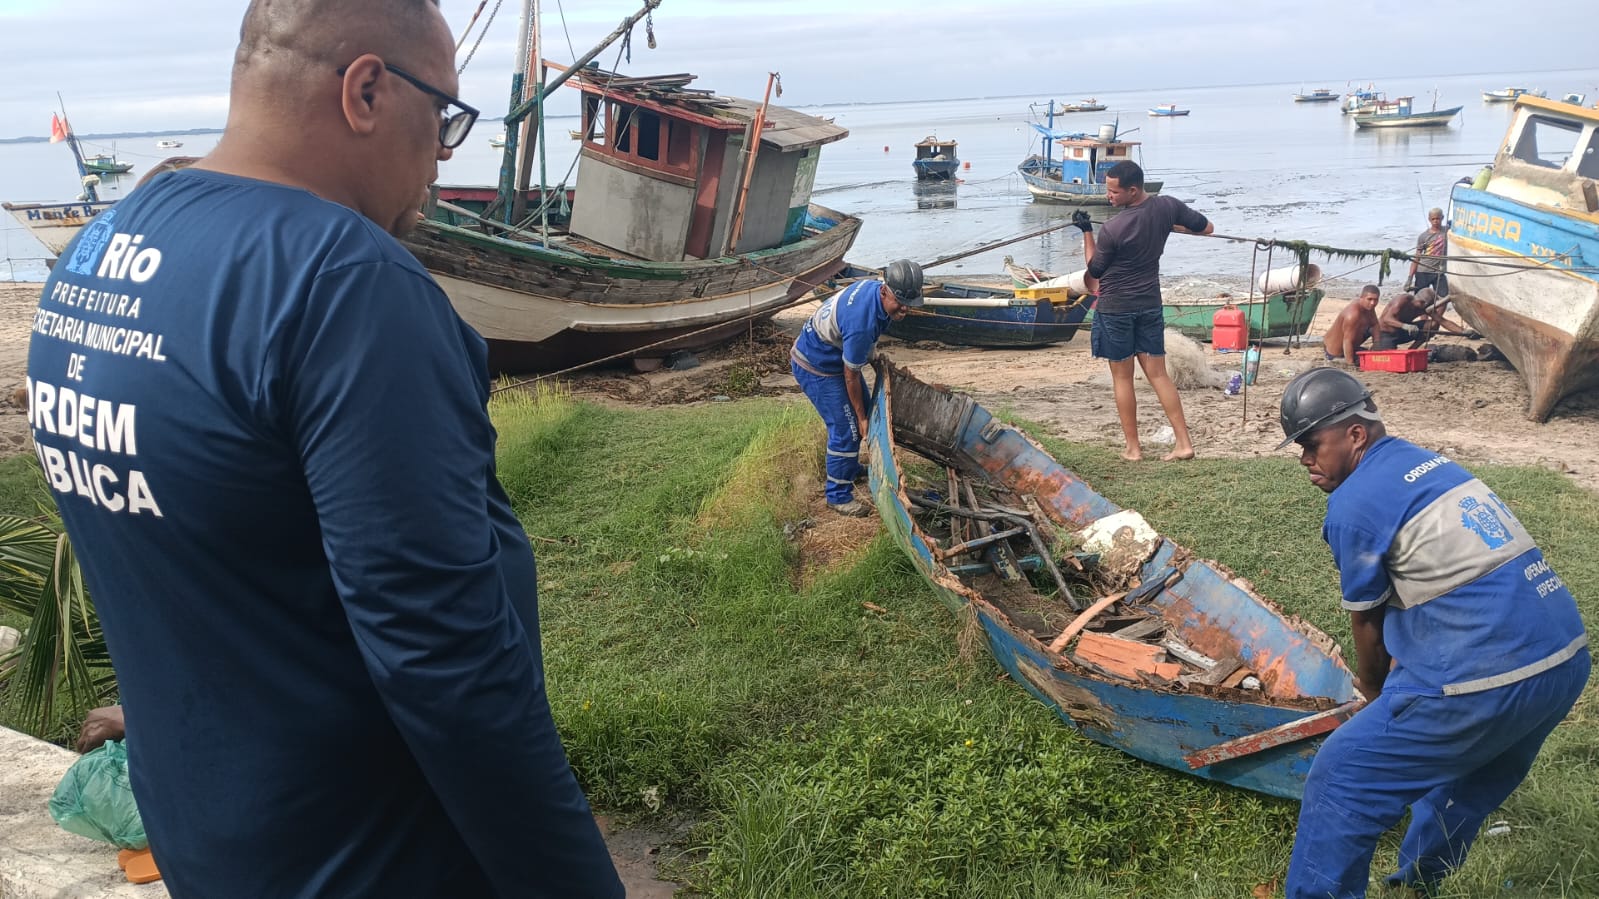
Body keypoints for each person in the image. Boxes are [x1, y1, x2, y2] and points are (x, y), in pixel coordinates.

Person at [25, 1, 622, 896]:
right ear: (368, 91)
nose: (440, 160)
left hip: (210, 836)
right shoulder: (346, 284)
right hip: (369, 856)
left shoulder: (104, 248)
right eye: (443, 118)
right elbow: (444, 660)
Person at [1276, 368, 1588, 899]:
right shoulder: (1430, 465)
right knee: (1467, 774)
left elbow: (1368, 624)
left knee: (1342, 775)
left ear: (1355, 434)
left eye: (1311, 443)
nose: (1305, 458)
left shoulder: (1352, 507)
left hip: (1488, 674)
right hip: (1563, 659)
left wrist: (1376, 700)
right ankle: (1418, 887)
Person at [1077, 160, 1211, 461]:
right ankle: (1183, 443)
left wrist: (1086, 232)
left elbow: (1094, 272)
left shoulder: (1112, 229)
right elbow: (1207, 228)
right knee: (1159, 375)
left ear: (1132, 191)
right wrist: (1169, 226)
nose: (1107, 196)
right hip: (1149, 305)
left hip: (1115, 310)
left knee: (1122, 379)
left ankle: (1133, 448)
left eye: (1113, 192)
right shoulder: (1167, 206)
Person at [790, 260, 923, 516]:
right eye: (901, 301)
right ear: (885, 291)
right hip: (816, 367)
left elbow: (864, 343)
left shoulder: (874, 292)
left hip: (833, 357)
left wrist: (873, 358)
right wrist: (861, 418)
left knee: (864, 414)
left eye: (911, 301)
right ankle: (837, 496)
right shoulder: (862, 321)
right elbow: (851, 374)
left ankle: (848, 469)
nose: (905, 308)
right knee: (848, 429)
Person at [1374, 287, 1471, 350]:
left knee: (1432, 325)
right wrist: (1404, 326)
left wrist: (1463, 332)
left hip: (1402, 333)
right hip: (1385, 333)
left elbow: (1443, 321)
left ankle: (1412, 350)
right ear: (1421, 301)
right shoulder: (1402, 300)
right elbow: (1386, 319)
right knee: (1387, 355)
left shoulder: (1425, 308)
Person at [1321, 284, 1381, 364]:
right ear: (1362, 298)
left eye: (1375, 300)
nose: (1373, 303)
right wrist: (1350, 363)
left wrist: (1376, 343)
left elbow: (1375, 324)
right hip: (1336, 352)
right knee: (1371, 362)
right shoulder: (1353, 315)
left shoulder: (1368, 307)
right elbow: (1347, 341)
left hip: (1351, 343)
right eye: (1369, 299)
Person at [1407, 207, 1449, 296]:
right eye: (1433, 219)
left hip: (1439, 272)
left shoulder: (1447, 231)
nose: (1435, 221)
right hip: (1423, 271)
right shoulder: (1423, 236)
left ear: (1442, 218)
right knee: (1419, 300)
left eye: (1438, 218)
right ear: (1429, 219)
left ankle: (1434, 310)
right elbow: (1417, 257)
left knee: (1444, 297)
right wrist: (1410, 278)